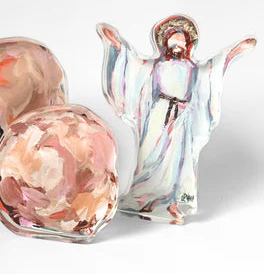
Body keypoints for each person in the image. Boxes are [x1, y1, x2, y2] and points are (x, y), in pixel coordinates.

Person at [97, 14, 256, 223]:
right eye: (174, 42)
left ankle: (172, 202)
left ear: (188, 46)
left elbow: (214, 67)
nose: (177, 47)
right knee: (148, 159)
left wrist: (235, 51)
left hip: (181, 120)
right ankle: (143, 199)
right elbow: (131, 66)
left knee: (177, 164)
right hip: (156, 118)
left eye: (182, 43)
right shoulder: (155, 66)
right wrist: (116, 43)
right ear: (165, 44)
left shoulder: (193, 69)